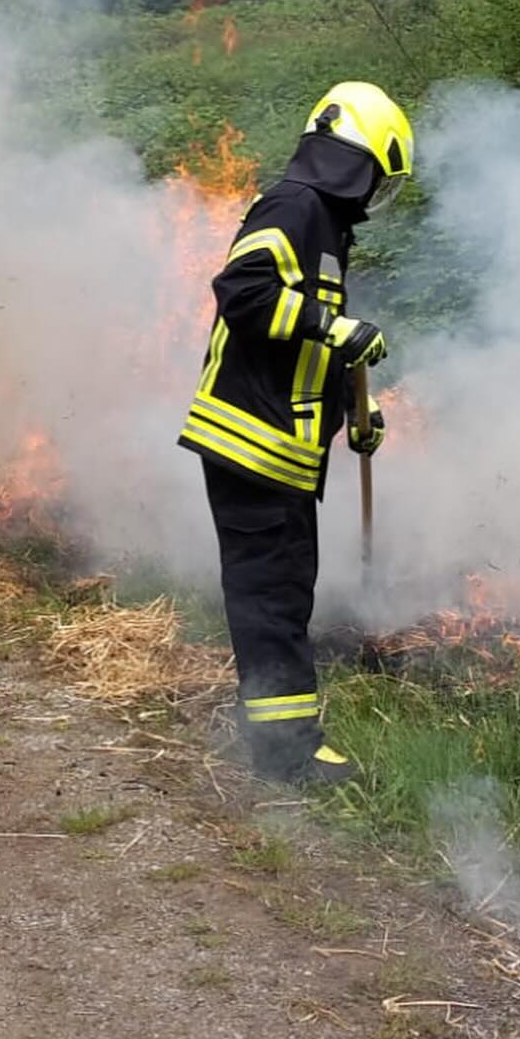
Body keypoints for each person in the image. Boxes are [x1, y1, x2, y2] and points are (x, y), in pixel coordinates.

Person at [178, 81, 413, 787]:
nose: (377, 192)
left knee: (284, 594)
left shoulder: (326, 232)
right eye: (380, 175)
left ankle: (285, 741)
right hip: (252, 445)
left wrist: (353, 411)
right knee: (270, 600)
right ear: (361, 162)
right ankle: (287, 758)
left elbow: (307, 345)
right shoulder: (293, 207)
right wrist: (334, 326)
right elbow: (244, 294)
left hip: (281, 450)